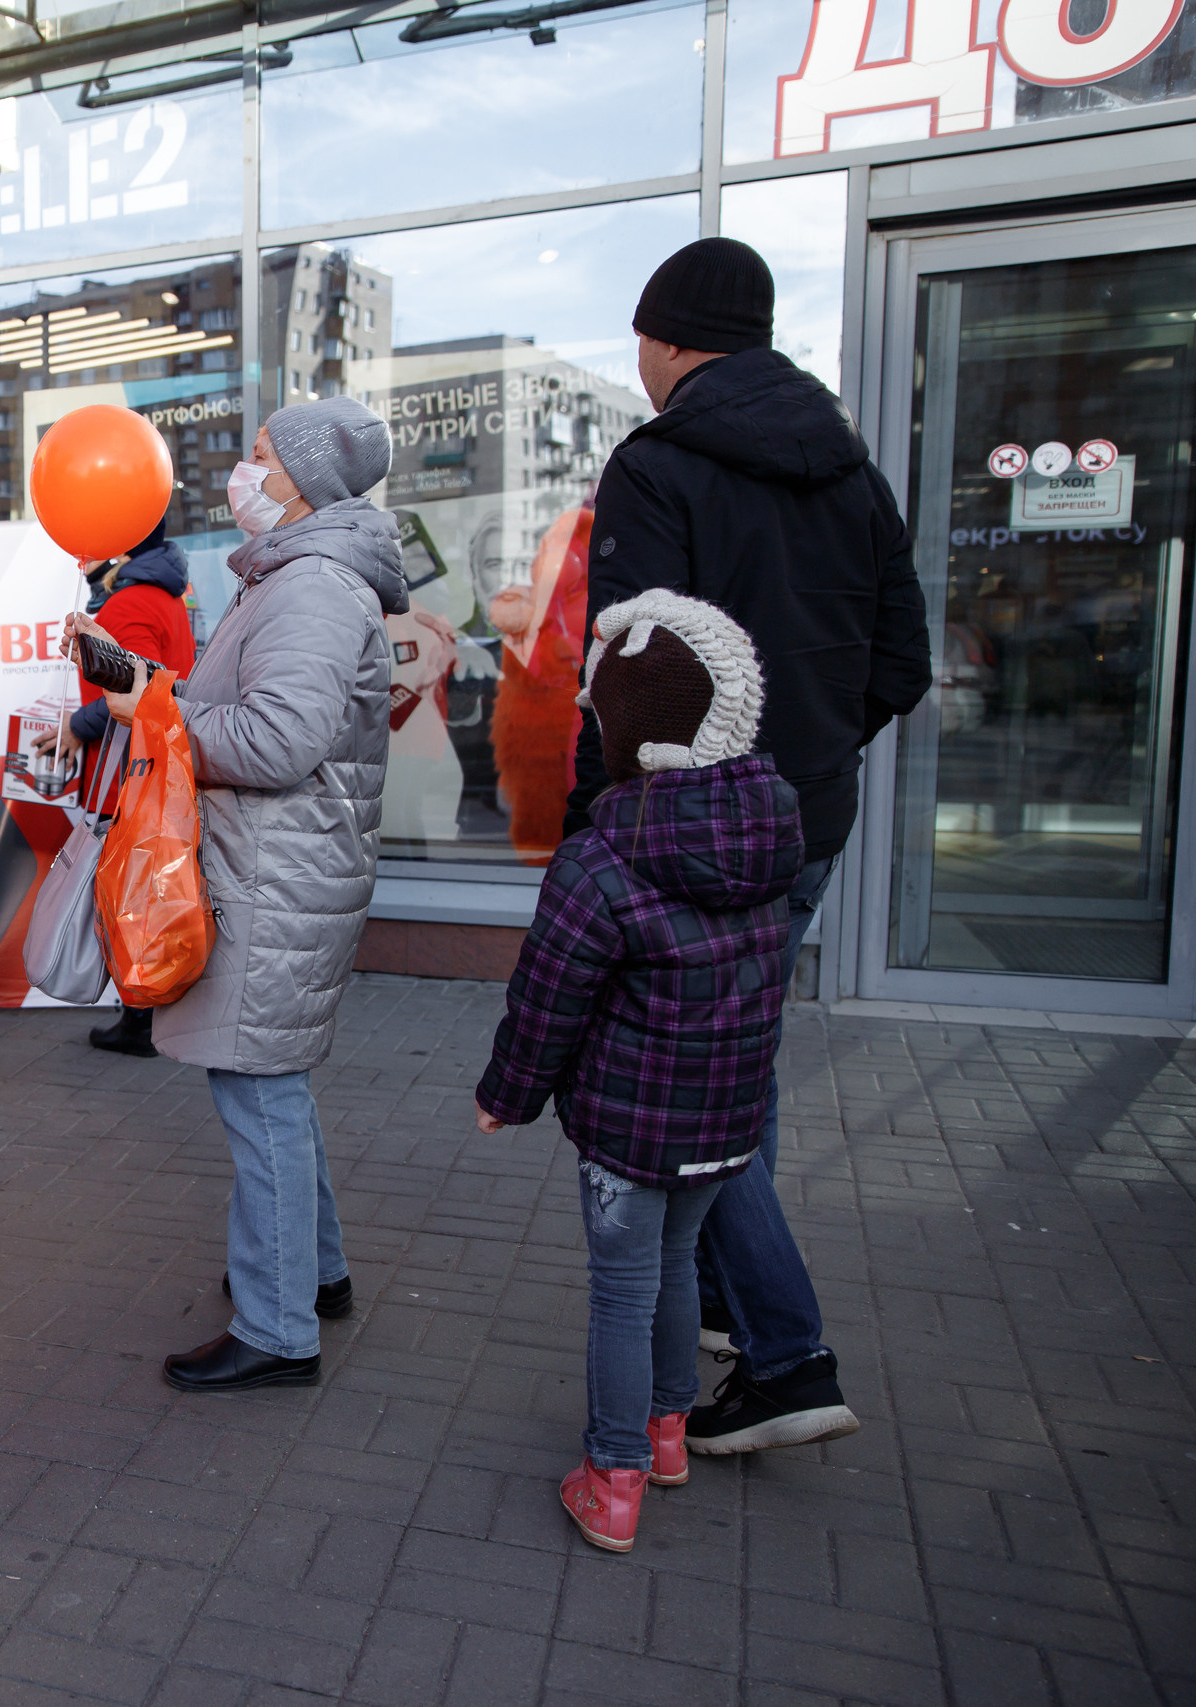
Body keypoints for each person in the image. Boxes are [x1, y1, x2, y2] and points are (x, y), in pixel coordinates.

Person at [563, 237, 930, 1455]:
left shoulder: (657, 465)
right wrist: (809, 756)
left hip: (675, 831)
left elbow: (625, 677)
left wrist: (589, 842)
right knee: (735, 1065)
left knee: (680, 1089)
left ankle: (787, 1353)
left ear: (667, 341)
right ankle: (722, 1308)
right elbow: (903, 668)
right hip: (804, 824)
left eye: (639, 339)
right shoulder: (854, 475)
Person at [73, 396, 403, 1394]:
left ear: (303, 477)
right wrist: (146, 683)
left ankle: (276, 1326)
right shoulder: (299, 577)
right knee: (269, 1084)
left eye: (259, 455)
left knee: (256, 1090)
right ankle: (315, 1273)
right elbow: (245, 709)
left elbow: (275, 742)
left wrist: (154, 714)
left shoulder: (310, 586)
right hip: (277, 868)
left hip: (273, 875)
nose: (242, 471)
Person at [479, 591, 805, 1553]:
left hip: (628, 1128)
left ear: (625, 726)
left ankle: (614, 1474)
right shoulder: (769, 838)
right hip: (727, 1120)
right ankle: (668, 1432)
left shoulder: (602, 857)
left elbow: (548, 996)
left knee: (625, 1287)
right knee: (672, 1269)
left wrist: (508, 1095)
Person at [35, 513, 197, 1061]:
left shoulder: (129, 603)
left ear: (121, 549)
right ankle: (144, 1011)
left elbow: (131, 688)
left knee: (124, 892)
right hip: (152, 767)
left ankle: (138, 1015)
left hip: (129, 771)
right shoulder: (167, 597)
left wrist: (78, 728)